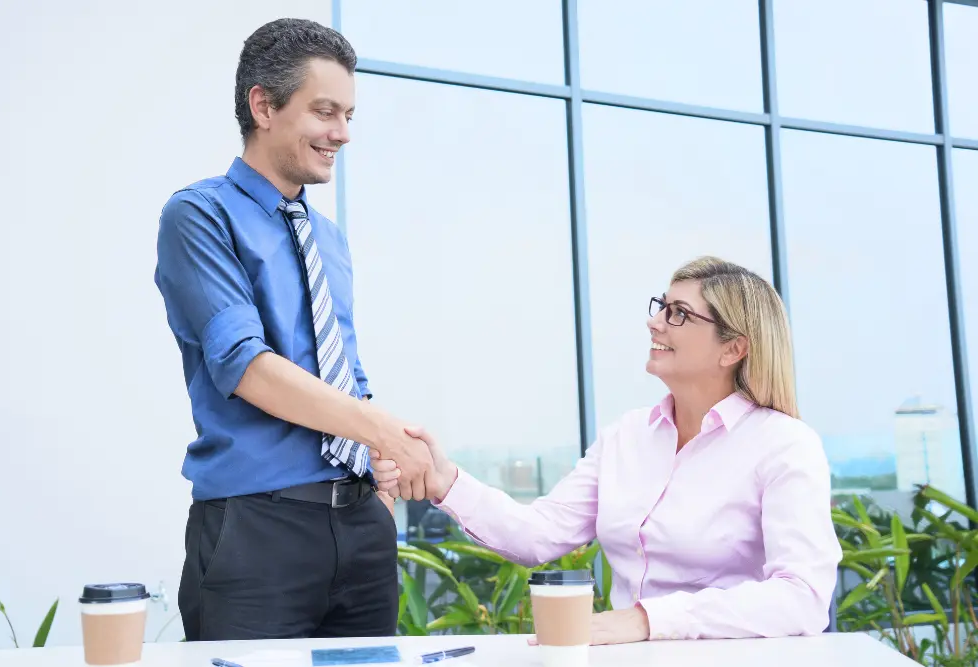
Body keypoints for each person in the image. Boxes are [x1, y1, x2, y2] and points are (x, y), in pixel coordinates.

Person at [374, 256, 843, 644]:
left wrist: (645, 620)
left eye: (678, 313)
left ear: (733, 349)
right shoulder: (628, 436)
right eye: (662, 306)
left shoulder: (784, 445)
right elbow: (539, 534)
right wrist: (445, 481)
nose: (654, 321)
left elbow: (800, 597)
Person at [154, 18, 433, 641]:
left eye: (350, 115)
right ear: (264, 105)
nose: (342, 134)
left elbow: (346, 375)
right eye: (325, 112)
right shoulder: (200, 215)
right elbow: (247, 366)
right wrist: (380, 426)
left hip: (362, 529)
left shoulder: (328, 241)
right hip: (259, 534)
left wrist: (377, 462)